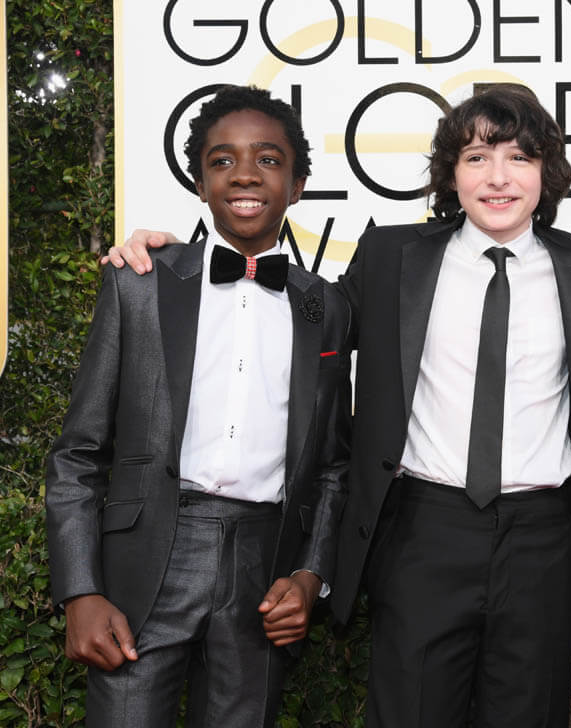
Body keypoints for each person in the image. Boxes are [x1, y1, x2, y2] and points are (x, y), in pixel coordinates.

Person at [105, 83, 571, 727]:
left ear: (546, 174)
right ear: (452, 174)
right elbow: (299, 312)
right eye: (477, 157)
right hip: (423, 533)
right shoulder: (392, 255)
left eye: (519, 158)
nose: (499, 177)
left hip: (543, 542)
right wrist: (178, 260)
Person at [46, 85, 352, 727]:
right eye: (222, 160)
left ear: (298, 186)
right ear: (199, 183)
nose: (245, 174)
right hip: (143, 564)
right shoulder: (138, 282)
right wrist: (80, 590)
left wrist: (310, 573)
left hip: (264, 569)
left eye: (268, 159)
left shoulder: (326, 306)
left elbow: (331, 465)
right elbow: (77, 453)